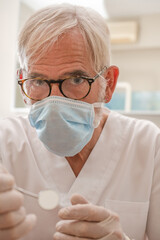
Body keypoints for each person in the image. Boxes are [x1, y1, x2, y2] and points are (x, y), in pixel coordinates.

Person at [0, 3, 159, 240]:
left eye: (75, 79)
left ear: (109, 83)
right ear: (23, 82)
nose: (53, 102)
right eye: (38, 81)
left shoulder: (148, 145)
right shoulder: (6, 142)